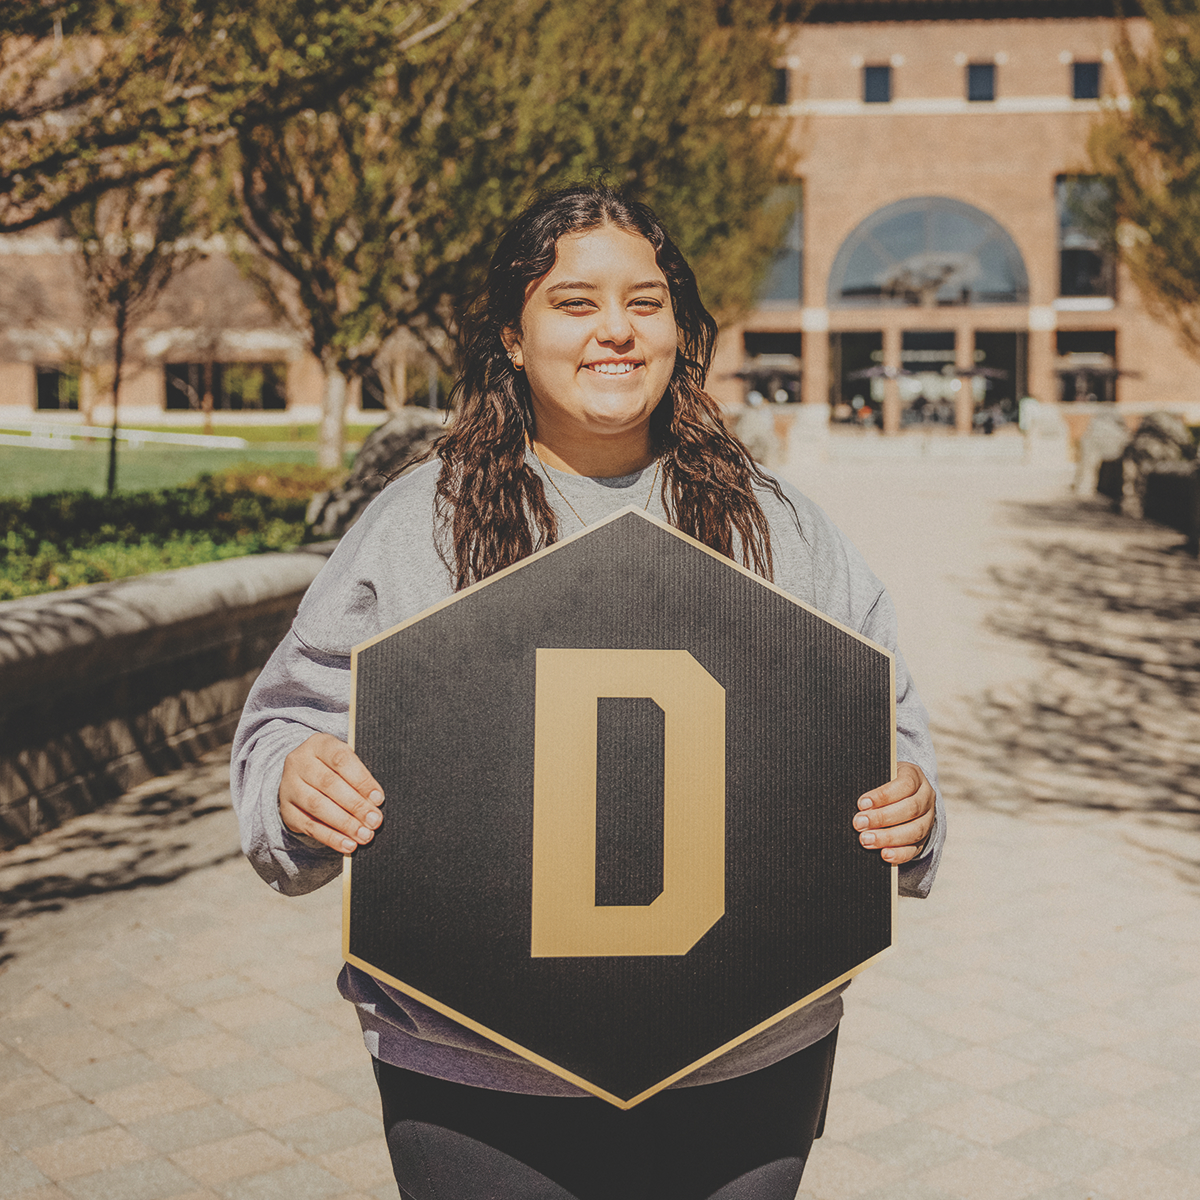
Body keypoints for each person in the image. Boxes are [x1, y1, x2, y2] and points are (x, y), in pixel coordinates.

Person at [232, 184, 945, 1200]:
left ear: (682, 331)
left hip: (749, 1059)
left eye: (645, 302)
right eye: (574, 302)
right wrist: (295, 784)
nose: (615, 328)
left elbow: (887, 723)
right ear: (513, 339)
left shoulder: (778, 524)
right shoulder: (414, 526)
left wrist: (911, 807)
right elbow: (288, 722)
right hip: (475, 1073)